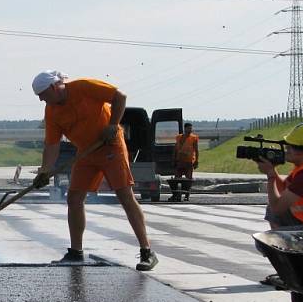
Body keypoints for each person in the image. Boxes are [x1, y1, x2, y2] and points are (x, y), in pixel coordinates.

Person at [31, 70, 158, 271]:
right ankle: (76, 252)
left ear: (55, 87)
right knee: (73, 199)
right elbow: (52, 145)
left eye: (43, 95)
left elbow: (119, 97)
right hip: (86, 153)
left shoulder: (83, 87)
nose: (41, 100)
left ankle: (147, 252)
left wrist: (113, 124)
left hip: (110, 146)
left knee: (125, 195)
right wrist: (45, 171)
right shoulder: (52, 111)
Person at [172, 122, 199, 201]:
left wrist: (197, 161)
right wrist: (173, 159)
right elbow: (175, 149)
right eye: (188, 128)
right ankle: (175, 195)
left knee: (188, 180)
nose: (190, 130)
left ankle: (187, 195)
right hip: (179, 161)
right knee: (176, 179)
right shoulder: (179, 137)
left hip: (189, 162)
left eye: (191, 128)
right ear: (185, 128)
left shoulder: (194, 138)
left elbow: (196, 150)